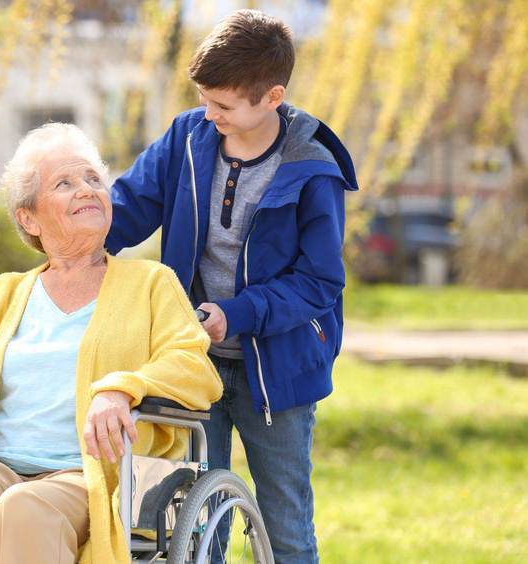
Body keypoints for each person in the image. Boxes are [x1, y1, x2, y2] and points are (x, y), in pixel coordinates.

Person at [0, 123, 222, 564]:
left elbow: (192, 364)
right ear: (29, 218)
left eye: (93, 180)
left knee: (24, 508)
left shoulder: (150, 283)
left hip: (92, 476)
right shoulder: (0, 295)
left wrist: (124, 387)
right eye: (65, 183)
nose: (87, 190)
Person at [106, 9, 358, 564]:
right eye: (203, 99)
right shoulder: (187, 137)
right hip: (190, 363)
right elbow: (126, 208)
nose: (208, 113)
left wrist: (235, 313)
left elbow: (318, 283)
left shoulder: (312, 169)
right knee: (189, 533)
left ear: (271, 97)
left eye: (222, 105)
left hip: (278, 375)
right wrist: (73, 231)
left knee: (287, 529)